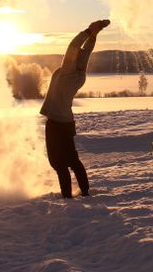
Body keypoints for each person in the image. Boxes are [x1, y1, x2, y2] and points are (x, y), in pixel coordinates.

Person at [40, 19, 110, 198]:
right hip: (66, 123)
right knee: (72, 160)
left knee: (58, 163)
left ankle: (68, 197)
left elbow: (73, 46)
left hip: (56, 123)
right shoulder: (79, 75)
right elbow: (85, 52)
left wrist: (88, 31)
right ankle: (85, 192)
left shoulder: (66, 72)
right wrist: (93, 36)